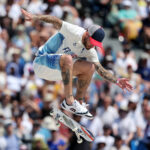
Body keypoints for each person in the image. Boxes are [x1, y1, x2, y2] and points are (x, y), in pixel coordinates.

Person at [21, 9, 133, 119]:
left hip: (58, 72)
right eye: (92, 42)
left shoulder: (90, 50)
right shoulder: (74, 31)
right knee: (68, 59)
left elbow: (101, 70)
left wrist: (117, 81)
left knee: (91, 67)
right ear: (87, 34)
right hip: (42, 63)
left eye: (95, 44)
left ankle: (78, 101)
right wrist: (35, 17)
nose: (92, 46)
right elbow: (55, 20)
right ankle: (69, 101)